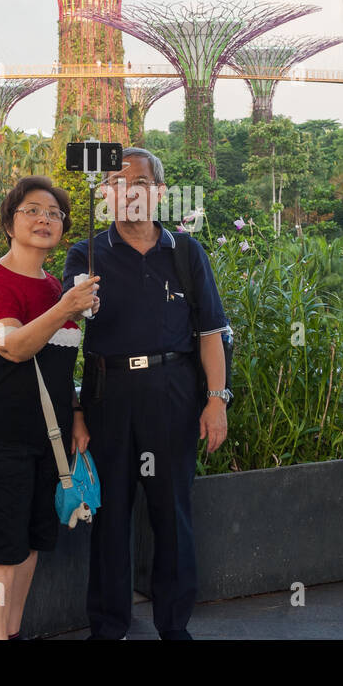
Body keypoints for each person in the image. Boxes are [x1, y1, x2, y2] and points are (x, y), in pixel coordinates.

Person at [62, 147, 229, 640]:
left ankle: (174, 628)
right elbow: (64, 342)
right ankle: (109, 628)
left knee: (172, 514)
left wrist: (216, 400)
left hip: (173, 394)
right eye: (114, 182)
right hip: (107, 395)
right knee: (110, 517)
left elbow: (210, 332)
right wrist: (75, 411)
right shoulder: (86, 254)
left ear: (159, 192)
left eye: (137, 183)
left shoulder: (184, 252)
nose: (126, 191)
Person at [0, 176, 101, 639]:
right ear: (9, 222)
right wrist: (64, 308)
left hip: (52, 435)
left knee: (33, 544)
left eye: (54, 214)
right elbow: (14, 347)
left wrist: (77, 412)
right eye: (32, 211)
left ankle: (14, 632)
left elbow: (60, 366)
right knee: (1, 551)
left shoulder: (56, 289)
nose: (44, 219)